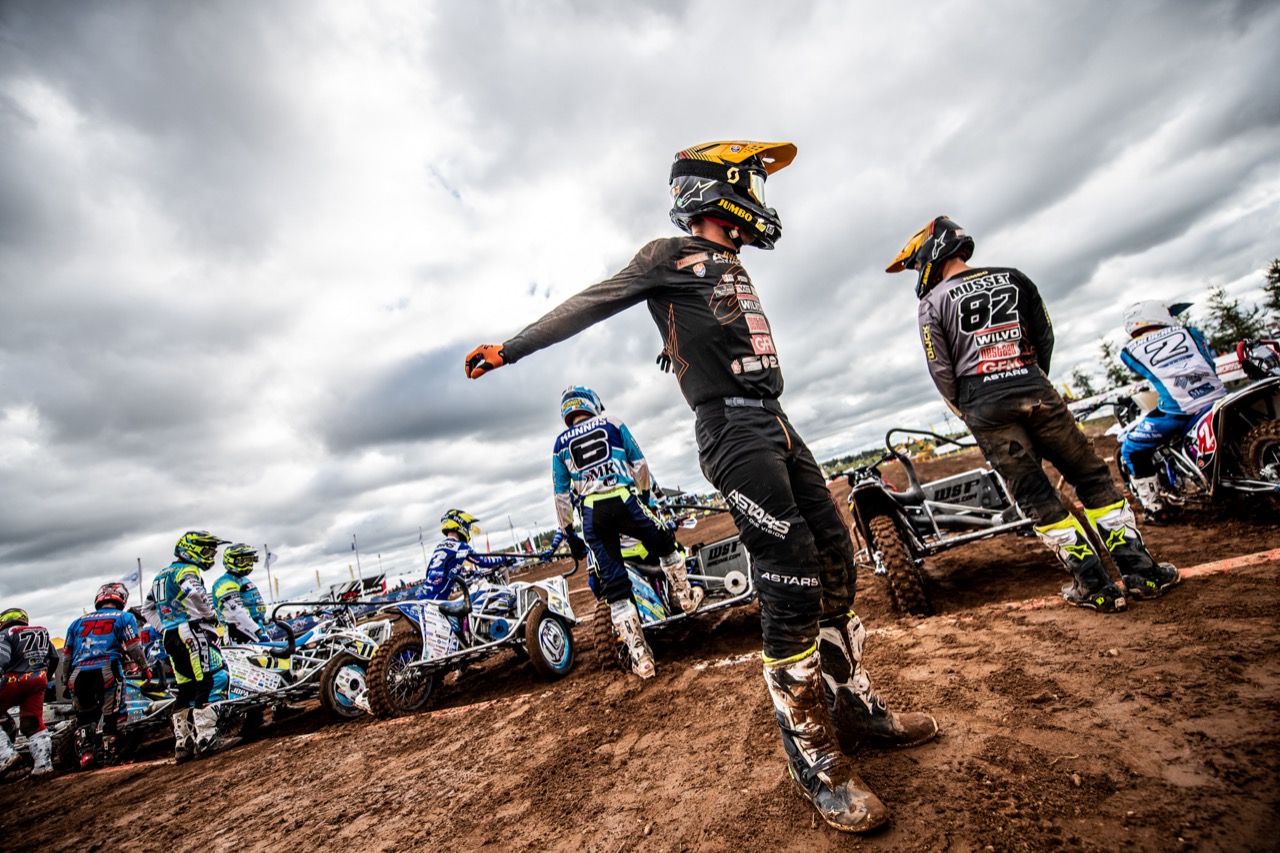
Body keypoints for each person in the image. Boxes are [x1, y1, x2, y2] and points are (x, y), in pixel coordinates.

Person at [465, 140, 937, 833]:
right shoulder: (666, 254)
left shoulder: (729, 263)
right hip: (732, 430)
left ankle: (856, 712)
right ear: (718, 189)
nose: (761, 202)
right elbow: (594, 301)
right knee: (789, 573)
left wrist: (679, 342)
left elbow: (703, 323)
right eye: (753, 186)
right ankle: (815, 759)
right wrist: (510, 348)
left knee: (835, 555)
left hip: (775, 420)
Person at [887, 215, 1181, 608]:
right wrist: (1031, 376)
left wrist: (968, 408)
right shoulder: (1014, 277)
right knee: (1091, 476)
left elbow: (939, 367)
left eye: (918, 264)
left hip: (983, 402)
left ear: (931, 252)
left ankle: (1096, 588)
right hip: (1033, 385)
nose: (918, 272)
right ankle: (1141, 573)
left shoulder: (931, 303)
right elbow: (1044, 334)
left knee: (1036, 495)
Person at [551, 385, 702, 679]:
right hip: (623, 498)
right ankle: (684, 596)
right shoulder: (613, 422)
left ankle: (641, 658)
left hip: (592, 513)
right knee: (666, 544)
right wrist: (643, 496)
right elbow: (640, 464)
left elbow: (560, 495)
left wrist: (568, 532)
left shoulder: (559, 444)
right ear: (592, 403)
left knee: (615, 587)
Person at [1119, 301, 1226, 520]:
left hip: (1179, 410)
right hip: (1217, 397)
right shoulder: (1190, 332)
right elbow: (1209, 363)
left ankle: (1155, 509)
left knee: (1131, 449)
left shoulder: (1129, 351)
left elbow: (1151, 372)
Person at [141, 530, 230, 762]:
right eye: (207, 550)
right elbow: (195, 593)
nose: (210, 555)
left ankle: (183, 744)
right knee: (212, 679)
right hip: (192, 630)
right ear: (191, 550)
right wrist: (209, 615)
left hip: (171, 635)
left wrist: (163, 627)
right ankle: (207, 739)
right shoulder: (187, 570)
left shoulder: (160, 576)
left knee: (186, 688)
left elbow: (146, 609)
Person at [62, 583, 150, 769]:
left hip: (77, 673)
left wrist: (65, 679)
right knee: (113, 716)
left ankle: (86, 755)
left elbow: (67, 655)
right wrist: (145, 668)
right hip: (107, 669)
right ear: (122, 598)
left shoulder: (76, 622)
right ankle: (111, 756)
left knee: (84, 718)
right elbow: (133, 646)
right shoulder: (124, 617)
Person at [423, 510, 518, 642]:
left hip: (426, 596)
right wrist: (504, 558)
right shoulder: (460, 546)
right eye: (468, 527)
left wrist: (474, 573)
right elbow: (483, 561)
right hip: (436, 600)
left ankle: (468, 638)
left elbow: (440, 571)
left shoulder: (439, 547)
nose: (468, 531)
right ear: (461, 525)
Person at [0, 607, 59, 778]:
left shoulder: (5, 634)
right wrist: (45, 677)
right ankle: (43, 765)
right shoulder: (42, 631)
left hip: (13, 680)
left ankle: (6, 755)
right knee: (33, 723)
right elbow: (54, 658)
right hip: (38, 679)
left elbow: (2, 659)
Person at [212, 544, 271, 644]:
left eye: (249, 560)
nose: (248, 565)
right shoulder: (224, 582)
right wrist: (258, 632)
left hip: (255, 626)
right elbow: (238, 612)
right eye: (243, 561)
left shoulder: (243, 580)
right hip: (239, 630)